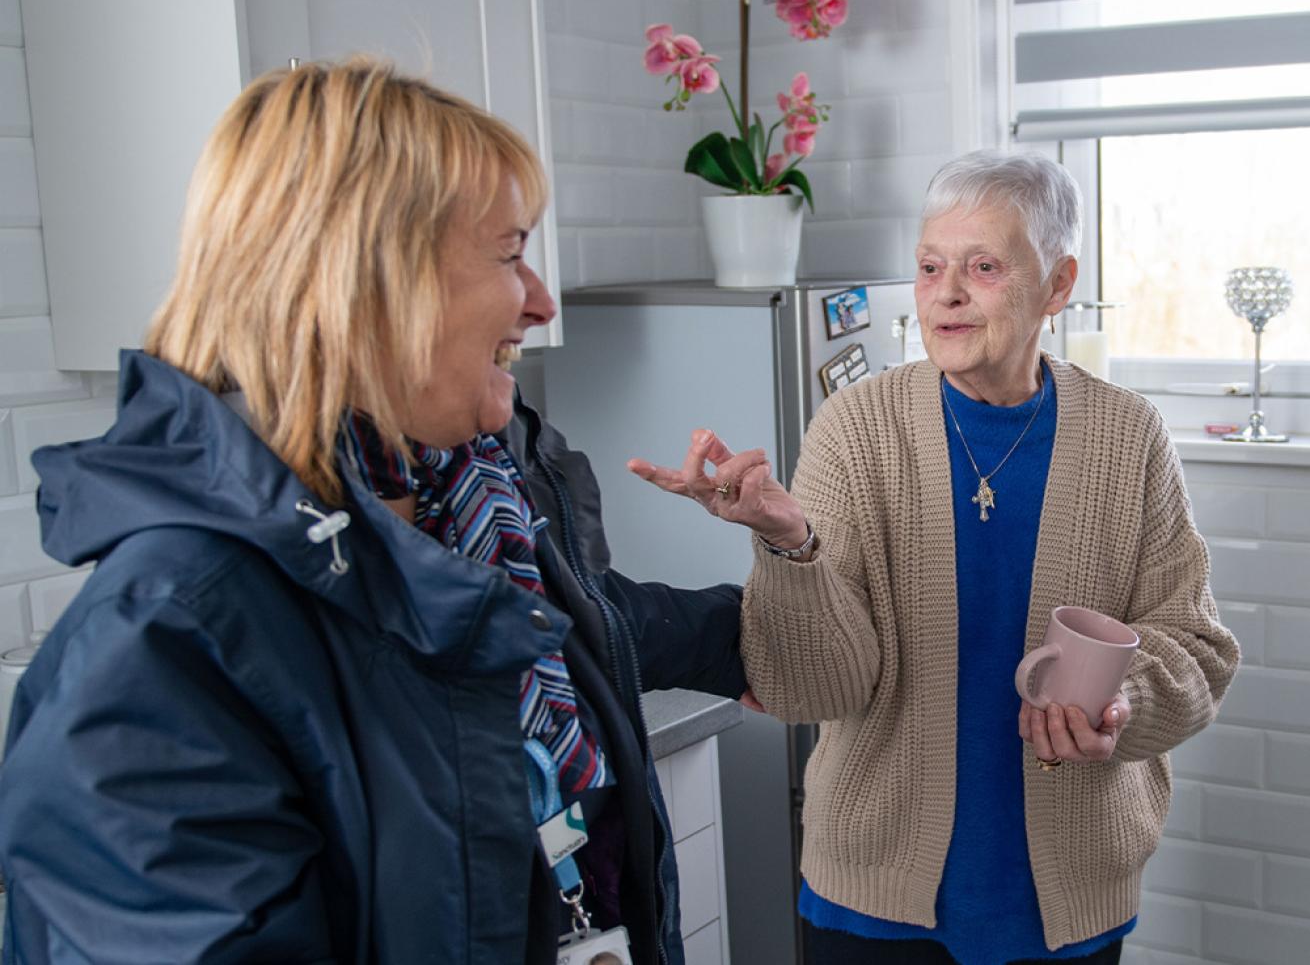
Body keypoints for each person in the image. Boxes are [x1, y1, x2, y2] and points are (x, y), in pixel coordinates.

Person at [0, 58, 747, 965]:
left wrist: (779, 604)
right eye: (511, 253)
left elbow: (579, 625)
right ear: (371, 285)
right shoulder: (158, 646)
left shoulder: (465, 503)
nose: (542, 301)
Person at [630, 150, 1240, 965]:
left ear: (1058, 285)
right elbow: (818, 687)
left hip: (1068, 899)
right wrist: (789, 542)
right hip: (871, 901)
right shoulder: (854, 426)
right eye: (928, 267)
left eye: (983, 266)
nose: (946, 292)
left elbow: (1197, 648)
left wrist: (1118, 702)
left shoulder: (1128, 436)